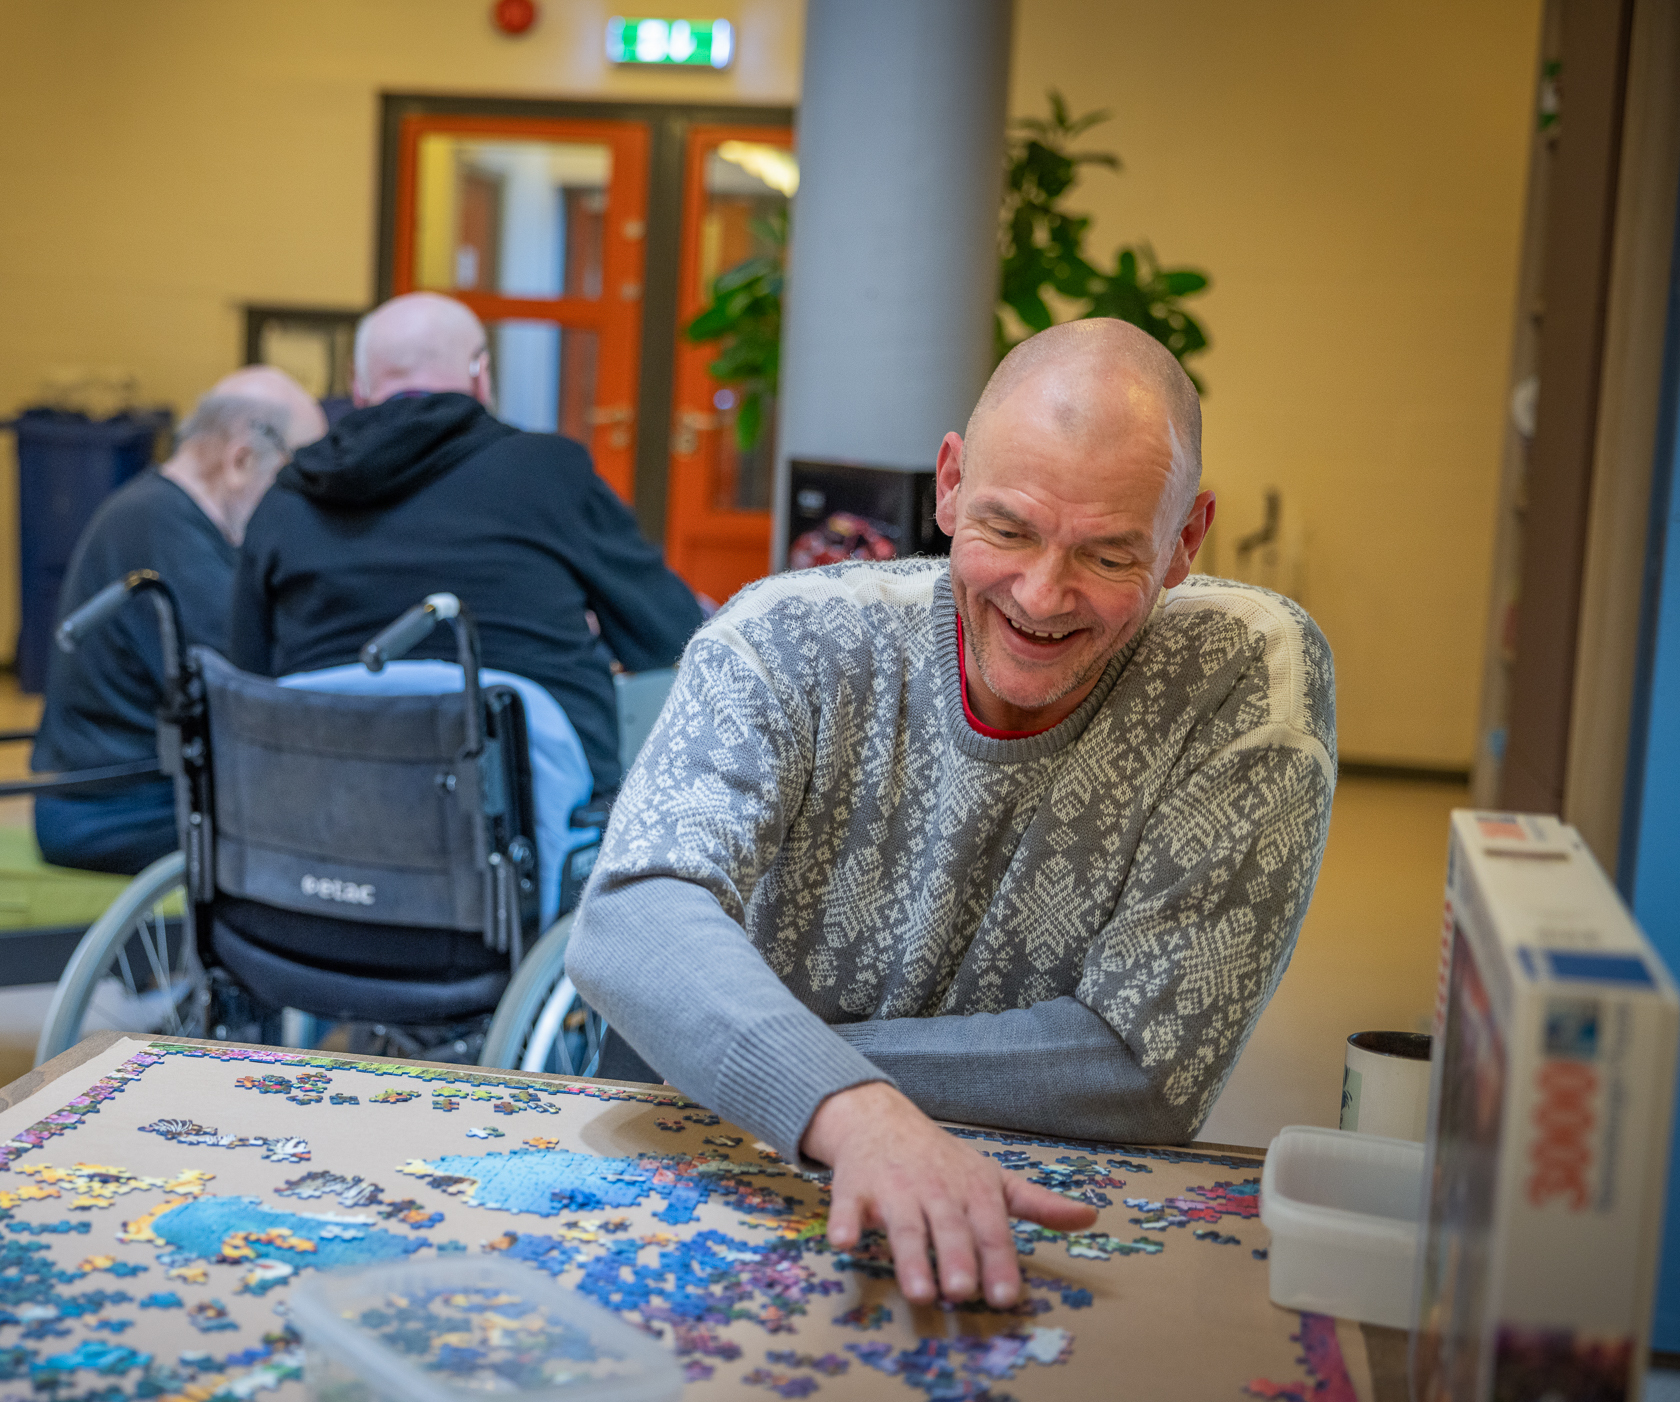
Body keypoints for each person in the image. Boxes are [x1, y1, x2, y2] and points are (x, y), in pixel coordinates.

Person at [566, 319, 1337, 1311]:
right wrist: (848, 1112)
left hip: (1005, 1209)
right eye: (1007, 531)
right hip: (718, 1175)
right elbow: (632, 914)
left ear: (1185, 539)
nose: (1041, 596)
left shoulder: (1246, 675)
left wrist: (783, 1072)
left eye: (1108, 556)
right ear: (950, 484)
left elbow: (1142, 1066)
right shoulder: (783, 636)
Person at [228, 292, 702, 799]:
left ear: (358, 385)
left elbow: (244, 675)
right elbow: (666, 633)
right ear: (481, 374)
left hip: (327, 817)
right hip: (535, 821)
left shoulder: (285, 500)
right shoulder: (549, 472)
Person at [33, 366, 326, 875]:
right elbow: (248, 680)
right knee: (330, 826)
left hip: (124, 794)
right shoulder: (158, 529)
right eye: (302, 474)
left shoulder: (163, 514)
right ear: (241, 461)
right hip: (112, 811)